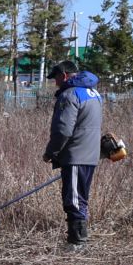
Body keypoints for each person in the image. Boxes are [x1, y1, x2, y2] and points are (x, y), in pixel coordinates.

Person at [42, 59, 103, 248]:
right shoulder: (94, 93)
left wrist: (51, 152)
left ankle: (77, 242)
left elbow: (63, 130)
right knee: (80, 196)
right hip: (90, 154)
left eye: (57, 78)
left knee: (74, 199)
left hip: (76, 153)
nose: (56, 82)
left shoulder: (69, 95)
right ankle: (77, 239)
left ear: (65, 75)